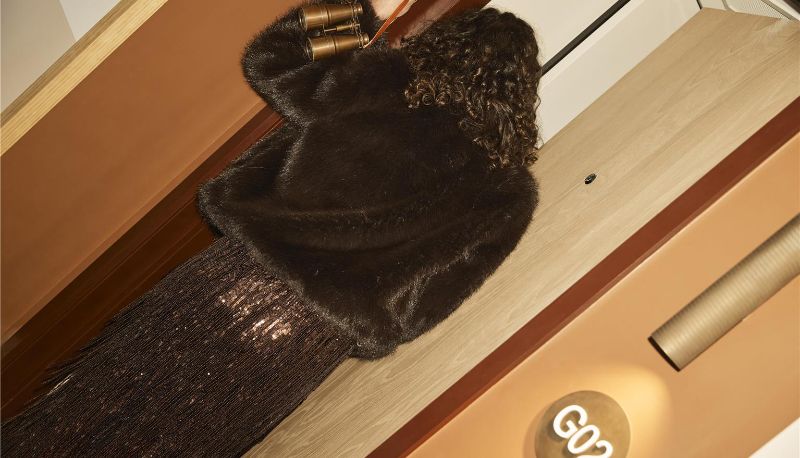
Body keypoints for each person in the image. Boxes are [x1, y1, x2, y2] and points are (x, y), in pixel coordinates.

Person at [2, 1, 541, 456]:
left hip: (239, 276)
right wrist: (362, 319)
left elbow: (270, 60)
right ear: (522, 95)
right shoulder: (510, 196)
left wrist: (353, 10)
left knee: (102, 398)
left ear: (447, 45)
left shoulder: (386, 80)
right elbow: (429, 306)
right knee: (188, 439)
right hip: (308, 340)